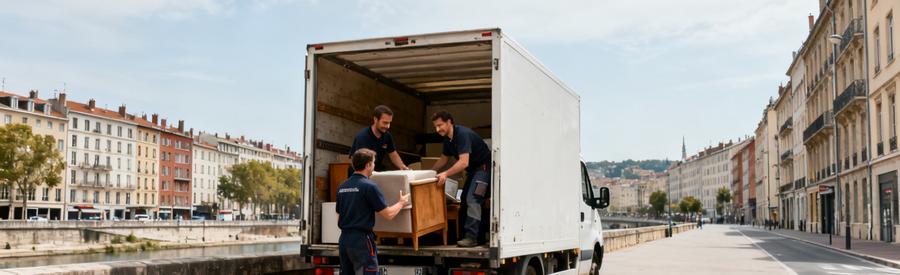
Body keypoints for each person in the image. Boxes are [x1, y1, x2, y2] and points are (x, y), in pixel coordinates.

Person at [336, 148, 410, 275]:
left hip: (344, 240)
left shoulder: (342, 187)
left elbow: (338, 217)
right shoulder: (369, 186)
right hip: (362, 241)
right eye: (374, 162)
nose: (374, 165)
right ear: (368, 165)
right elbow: (388, 214)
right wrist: (401, 203)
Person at [430, 111, 491, 247]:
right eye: (435, 126)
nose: (437, 129)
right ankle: (475, 236)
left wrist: (445, 174)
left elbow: (464, 162)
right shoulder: (448, 139)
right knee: (464, 199)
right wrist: (430, 172)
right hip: (473, 171)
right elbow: (444, 159)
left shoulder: (462, 134)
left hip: (483, 169)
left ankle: (472, 237)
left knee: (473, 199)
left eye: (440, 125)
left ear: (449, 122)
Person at [348, 105, 409, 177]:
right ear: (375, 119)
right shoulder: (363, 137)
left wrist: (402, 167)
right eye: (385, 123)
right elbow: (361, 163)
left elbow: (393, 154)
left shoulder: (387, 136)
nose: (388, 126)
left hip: (375, 170)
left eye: (389, 123)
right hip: (360, 174)